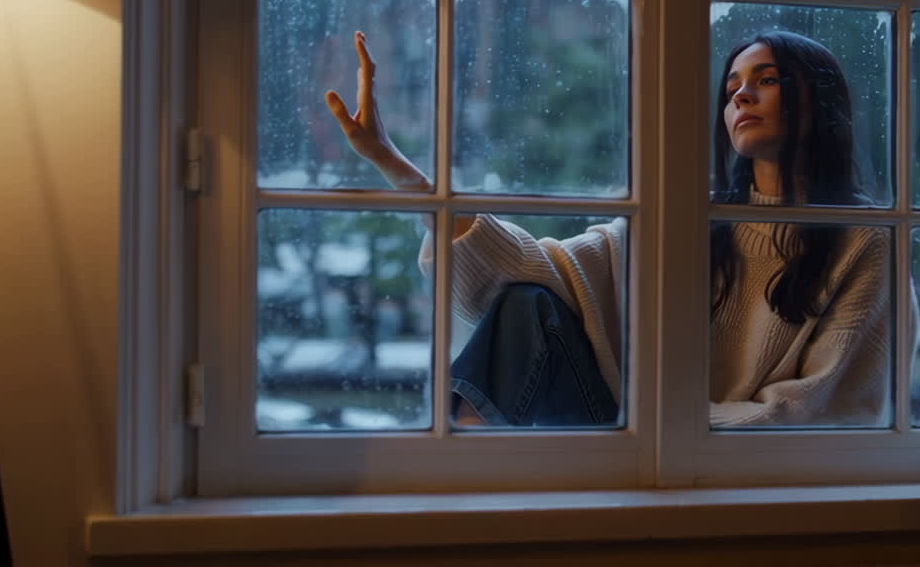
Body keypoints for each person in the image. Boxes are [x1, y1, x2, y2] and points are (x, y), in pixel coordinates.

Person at [323, 30, 890, 428]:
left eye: (767, 80)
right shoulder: (694, 219)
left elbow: (816, 406)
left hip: (744, 472)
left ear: (820, 101)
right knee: (526, 303)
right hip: (637, 435)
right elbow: (529, 270)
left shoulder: (863, 239)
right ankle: (462, 465)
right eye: (732, 87)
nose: (741, 94)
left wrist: (673, 430)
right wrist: (393, 163)